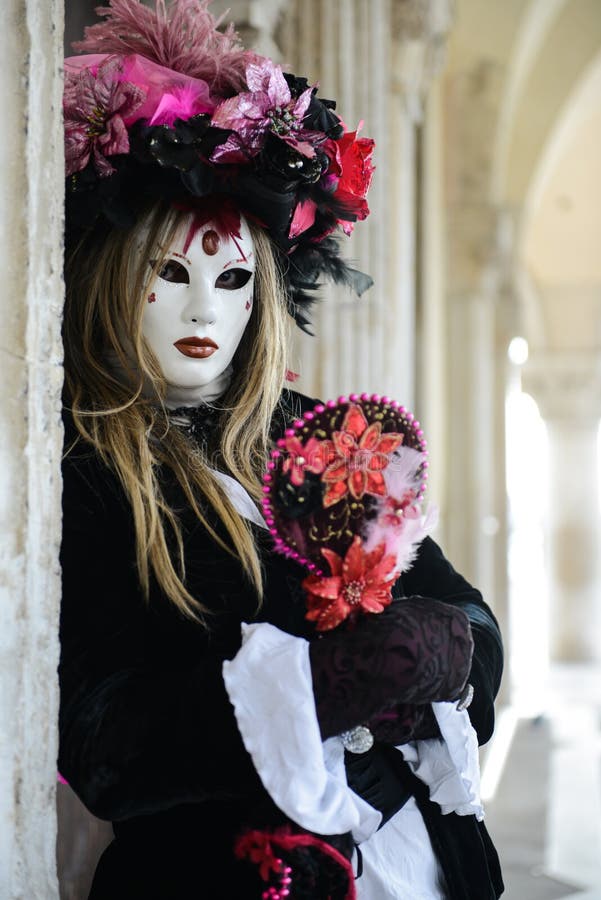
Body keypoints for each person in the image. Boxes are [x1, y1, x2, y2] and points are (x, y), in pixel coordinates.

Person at [59, 2, 504, 897]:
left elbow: (461, 610)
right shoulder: (81, 468)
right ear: (114, 279)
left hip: (412, 861)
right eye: (169, 275)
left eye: (230, 280)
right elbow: (103, 739)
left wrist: (452, 654)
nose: (201, 313)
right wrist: (319, 686)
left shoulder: (316, 436)